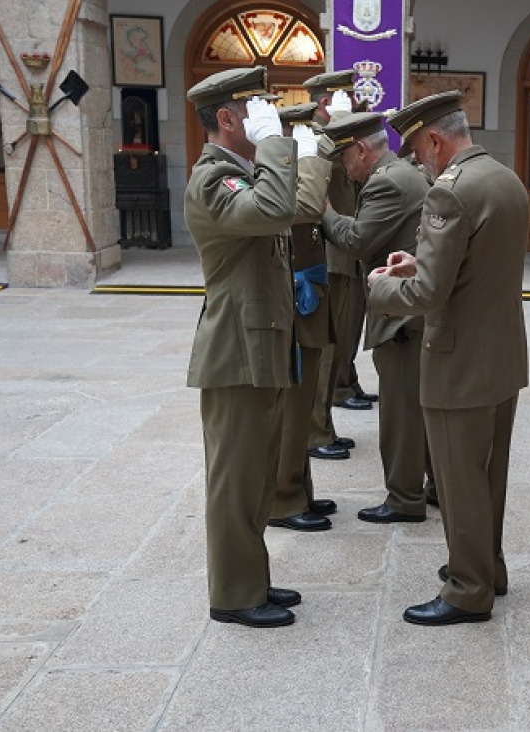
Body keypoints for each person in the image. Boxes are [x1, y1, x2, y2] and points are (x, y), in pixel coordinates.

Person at [371, 90, 529, 626]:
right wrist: (420, 260)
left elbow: (429, 297)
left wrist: (378, 290)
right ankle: (490, 568)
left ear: (436, 139)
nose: (418, 160)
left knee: (460, 481)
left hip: (458, 360)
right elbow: (476, 266)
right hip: (501, 356)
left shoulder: (449, 192)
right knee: (489, 477)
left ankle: (467, 589)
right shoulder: (504, 179)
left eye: (418, 149)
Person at [183, 66, 305, 628]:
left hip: (260, 347)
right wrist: (278, 145)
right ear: (228, 119)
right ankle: (233, 594)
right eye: (254, 112)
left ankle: (252, 578)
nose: (266, 121)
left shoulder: (243, 173)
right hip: (234, 353)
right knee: (235, 480)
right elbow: (276, 211)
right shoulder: (214, 179)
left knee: (255, 475)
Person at [319, 111, 435, 524]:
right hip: (415, 308)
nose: (343, 167)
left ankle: (404, 499)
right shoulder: (400, 173)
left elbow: (357, 240)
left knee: (401, 413)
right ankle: (435, 487)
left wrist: (325, 210)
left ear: (361, 150)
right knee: (422, 407)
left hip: (402, 316)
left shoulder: (385, 181)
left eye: (343, 156)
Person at [266, 101, 338, 533]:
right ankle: (283, 499)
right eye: (300, 130)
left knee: (302, 401)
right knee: (291, 409)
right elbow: (308, 206)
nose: (307, 137)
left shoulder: (289, 165)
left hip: (307, 295)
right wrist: (309, 158)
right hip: (294, 300)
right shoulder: (274, 172)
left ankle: (299, 489)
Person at [302, 70, 374, 451]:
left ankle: (326, 419)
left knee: (342, 341)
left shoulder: (332, 135)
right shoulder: (314, 137)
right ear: (327, 103)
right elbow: (322, 171)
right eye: (343, 99)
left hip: (347, 250)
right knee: (327, 350)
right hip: (331, 256)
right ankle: (317, 429)